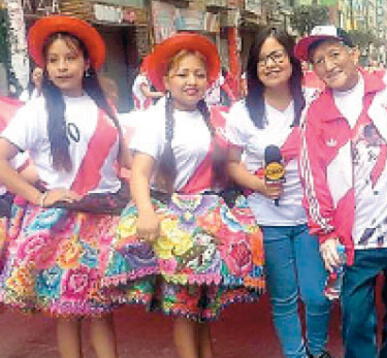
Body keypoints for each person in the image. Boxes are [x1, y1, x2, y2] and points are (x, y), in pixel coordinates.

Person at [101, 32, 265, 358]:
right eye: (183, 74)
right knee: (185, 307)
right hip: (173, 224)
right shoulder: (155, 121)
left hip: (205, 222)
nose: (192, 81)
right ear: (166, 80)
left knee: (201, 309)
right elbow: (140, 173)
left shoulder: (214, 118)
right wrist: (146, 213)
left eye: (199, 74)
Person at [294, 25, 387, 358]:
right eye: (319, 61)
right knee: (356, 324)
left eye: (334, 54)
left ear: (353, 53)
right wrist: (326, 233)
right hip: (355, 242)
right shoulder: (315, 113)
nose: (329, 66)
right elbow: (312, 176)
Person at [0, 15, 128, 358]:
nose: (61, 67)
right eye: (53, 60)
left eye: (70, 58)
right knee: (66, 313)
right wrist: (40, 196)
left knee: (102, 312)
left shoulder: (105, 109)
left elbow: (125, 164)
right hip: (60, 225)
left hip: (103, 222)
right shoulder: (36, 111)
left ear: (86, 62)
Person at [225, 26, 332, 358]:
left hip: (311, 218)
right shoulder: (242, 113)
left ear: (291, 60)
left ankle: (318, 350)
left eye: (276, 56)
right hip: (267, 219)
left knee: (316, 295)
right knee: (284, 297)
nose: (270, 65)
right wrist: (260, 185)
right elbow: (231, 164)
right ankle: (296, 354)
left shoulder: (315, 103)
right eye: (261, 59)